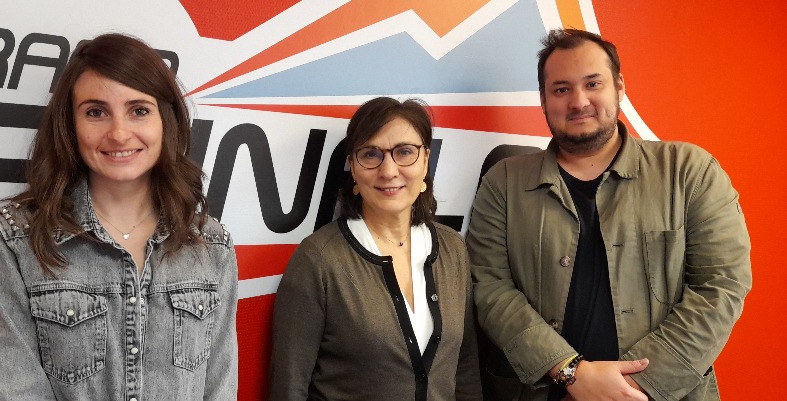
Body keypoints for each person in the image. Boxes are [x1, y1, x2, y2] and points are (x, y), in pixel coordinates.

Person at [467, 28, 751, 401]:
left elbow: (721, 286)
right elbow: (489, 287)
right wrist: (571, 373)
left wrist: (626, 388)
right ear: (544, 100)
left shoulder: (689, 172)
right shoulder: (503, 182)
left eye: (593, 84)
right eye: (561, 89)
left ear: (619, 87)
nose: (578, 101)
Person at [0, 33, 238, 400]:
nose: (119, 134)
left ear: (166, 121)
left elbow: (220, 387)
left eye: (139, 110)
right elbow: (10, 391)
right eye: (96, 112)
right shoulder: (14, 238)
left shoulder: (212, 244)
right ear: (71, 125)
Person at [269, 97, 482, 400]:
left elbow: (466, 369)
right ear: (353, 167)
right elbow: (289, 387)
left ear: (425, 160)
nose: (389, 170)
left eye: (404, 152)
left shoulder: (453, 249)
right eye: (371, 154)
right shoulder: (318, 259)